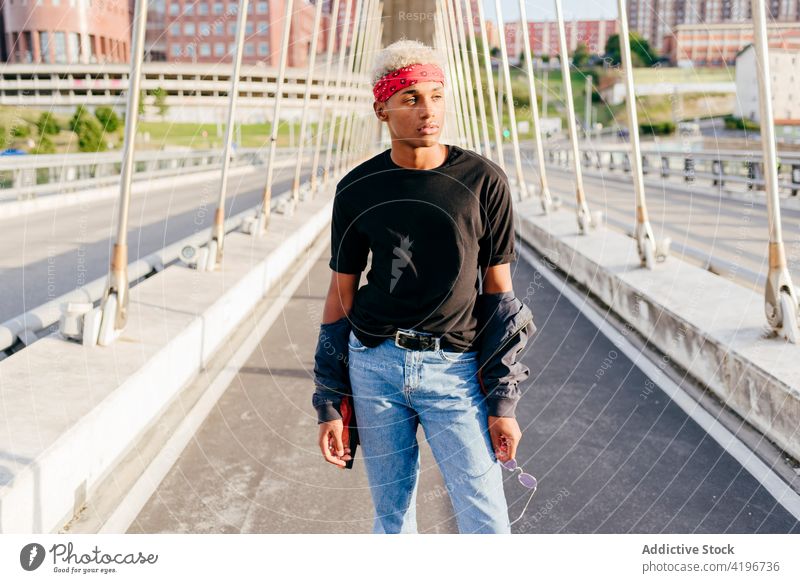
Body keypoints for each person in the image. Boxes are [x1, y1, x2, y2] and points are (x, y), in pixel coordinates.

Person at [312, 39, 536, 534]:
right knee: (391, 521)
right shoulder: (357, 189)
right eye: (411, 98)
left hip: (454, 371)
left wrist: (503, 403)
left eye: (436, 95)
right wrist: (328, 397)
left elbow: (501, 297)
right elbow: (341, 295)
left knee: (486, 520)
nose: (428, 110)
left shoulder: (483, 181)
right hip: (375, 367)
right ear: (382, 109)